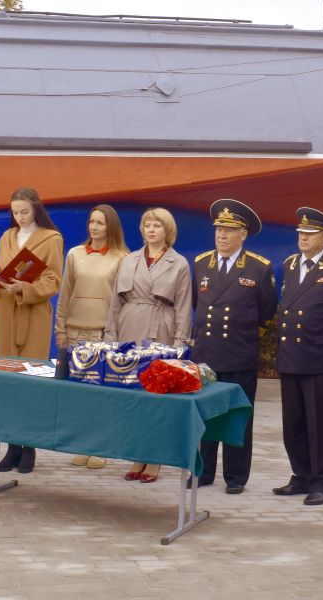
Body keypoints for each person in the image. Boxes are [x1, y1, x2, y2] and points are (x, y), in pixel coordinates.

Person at [191, 199, 277, 494]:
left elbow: (267, 312)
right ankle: (203, 471)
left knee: (237, 414)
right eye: (218, 229)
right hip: (207, 353)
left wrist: (245, 337)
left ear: (243, 234)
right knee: (204, 414)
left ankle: (236, 476)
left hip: (239, 354)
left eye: (229, 230)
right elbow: (195, 304)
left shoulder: (258, 268)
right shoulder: (202, 263)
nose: (222, 235)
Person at [272, 207, 323, 506]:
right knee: (293, 422)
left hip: (321, 357)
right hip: (292, 355)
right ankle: (301, 475)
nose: (303, 238)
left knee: (320, 423)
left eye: (309, 234)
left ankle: (322, 481)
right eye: (300, 234)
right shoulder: (291, 265)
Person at [106, 206, 192, 483]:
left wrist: (180, 344)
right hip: (130, 327)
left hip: (161, 331)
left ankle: (155, 458)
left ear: (168, 231)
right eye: (147, 225)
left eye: (157, 225)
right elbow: (115, 302)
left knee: (157, 397)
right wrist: (110, 338)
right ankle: (137, 454)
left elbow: (183, 306)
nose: (151, 230)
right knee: (133, 397)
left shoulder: (179, 263)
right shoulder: (129, 260)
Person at [0, 187, 65, 474]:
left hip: (33, 314)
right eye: (15, 212)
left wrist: (26, 288)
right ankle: (12, 447)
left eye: (24, 211)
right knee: (6, 379)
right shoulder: (6, 236)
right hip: (6, 312)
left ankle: (29, 446)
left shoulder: (51, 238)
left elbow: (53, 281)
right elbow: (0, 271)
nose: (19, 217)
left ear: (36, 209)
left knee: (31, 381)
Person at [55, 203, 128, 469]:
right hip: (74, 332)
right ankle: (83, 444)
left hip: (102, 334)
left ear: (111, 226)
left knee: (101, 394)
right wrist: (60, 329)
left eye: (100, 222)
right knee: (79, 395)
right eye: (91, 222)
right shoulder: (74, 254)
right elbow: (65, 294)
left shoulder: (122, 257)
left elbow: (123, 301)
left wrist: (115, 335)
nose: (94, 227)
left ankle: (101, 447)